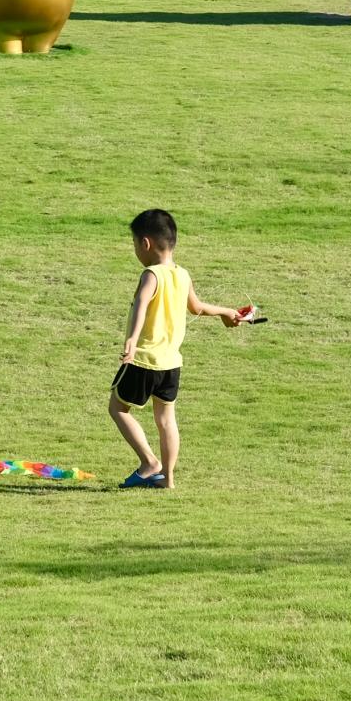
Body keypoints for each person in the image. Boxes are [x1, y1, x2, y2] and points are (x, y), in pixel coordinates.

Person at [110, 208, 255, 490]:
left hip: (144, 359)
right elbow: (197, 307)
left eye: (134, 243)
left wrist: (132, 339)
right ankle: (168, 478)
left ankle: (149, 463)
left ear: (146, 243)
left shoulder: (151, 274)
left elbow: (141, 304)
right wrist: (227, 312)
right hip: (171, 363)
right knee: (166, 420)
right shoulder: (182, 275)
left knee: (118, 408)